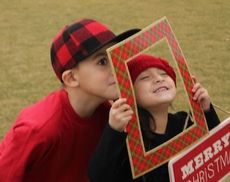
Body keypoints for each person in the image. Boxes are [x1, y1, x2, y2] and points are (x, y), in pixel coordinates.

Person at [0, 19, 139, 182]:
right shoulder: (39, 128)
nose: (117, 66)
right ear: (71, 78)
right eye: (102, 61)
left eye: (116, 55)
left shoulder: (110, 116)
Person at [88, 54, 220, 182]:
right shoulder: (128, 140)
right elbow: (99, 176)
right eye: (145, 77)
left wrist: (206, 111)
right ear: (129, 93)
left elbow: (217, 150)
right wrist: (114, 130)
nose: (159, 79)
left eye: (164, 74)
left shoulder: (183, 122)